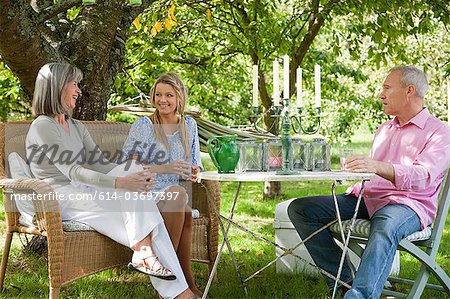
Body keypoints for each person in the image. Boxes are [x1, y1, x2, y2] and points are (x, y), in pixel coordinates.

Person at [26, 63, 198, 299]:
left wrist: (131, 175)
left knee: (134, 173)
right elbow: (73, 171)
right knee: (146, 214)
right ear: (57, 87)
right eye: (74, 84)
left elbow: (100, 164)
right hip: (57, 196)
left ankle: (149, 259)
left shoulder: (75, 126)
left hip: (83, 191)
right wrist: (120, 183)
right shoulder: (43, 126)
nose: (79, 90)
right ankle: (166, 276)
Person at [287, 66, 450, 298]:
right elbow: (372, 174)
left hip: (408, 205)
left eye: (386, 88)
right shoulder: (384, 129)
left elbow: (423, 176)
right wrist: (353, 174)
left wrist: (376, 166)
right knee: (301, 209)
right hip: (367, 198)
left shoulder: (440, 133)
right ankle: (343, 284)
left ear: (409, 90)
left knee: (385, 226)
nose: (381, 94)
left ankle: (360, 296)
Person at [122, 72, 203, 296]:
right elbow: (127, 166)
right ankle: (172, 285)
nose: (162, 100)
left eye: (169, 95)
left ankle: (185, 283)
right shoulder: (144, 125)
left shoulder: (189, 125)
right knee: (178, 198)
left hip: (177, 196)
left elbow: (195, 163)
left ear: (179, 97)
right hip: (146, 194)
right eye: (158, 95)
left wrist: (195, 172)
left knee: (184, 209)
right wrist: (165, 169)